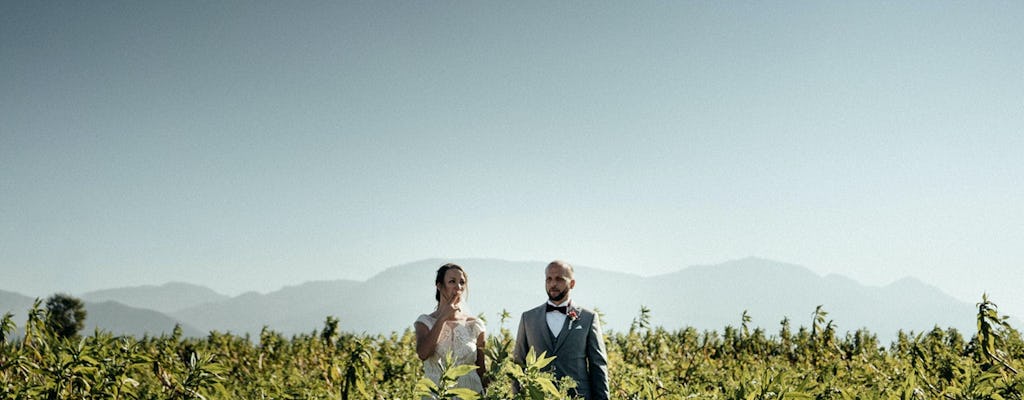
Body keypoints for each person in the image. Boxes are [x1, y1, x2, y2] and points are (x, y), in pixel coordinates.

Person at [513, 260, 609, 400]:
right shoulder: (528, 318)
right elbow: (519, 363)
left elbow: (598, 365)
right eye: (549, 279)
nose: (553, 284)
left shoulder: (588, 318)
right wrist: (518, 396)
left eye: (559, 279)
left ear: (572, 283)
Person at [414, 263, 487, 396]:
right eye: (452, 282)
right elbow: (423, 354)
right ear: (439, 286)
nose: (458, 287)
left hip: (471, 393)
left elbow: (482, 370)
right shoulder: (425, 322)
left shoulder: (475, 325)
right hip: (437, 395)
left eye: (462, 282)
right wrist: (442, 319)